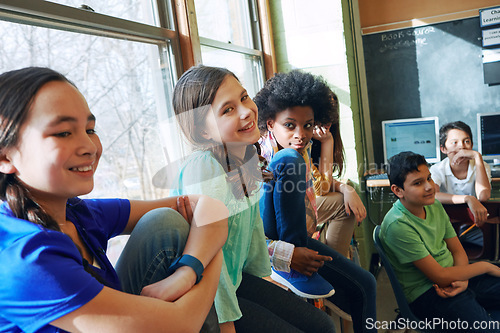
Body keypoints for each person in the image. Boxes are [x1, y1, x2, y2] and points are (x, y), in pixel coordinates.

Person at [0, 67, 229, 333]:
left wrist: (187, 270)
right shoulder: (24, 257)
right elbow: (182, 323)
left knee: (165, 222)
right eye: (63, 133)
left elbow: (208, 208)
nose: (89, 147)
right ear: (5, 157)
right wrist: (212, 254)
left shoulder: (75, 212)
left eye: (90, 129)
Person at [169, 65, 335, 333]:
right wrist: (226, 323)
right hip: (205, 297)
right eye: (228, 109)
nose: (247, 111)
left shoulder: (247, 159)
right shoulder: (204, 167)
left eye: (244, 98)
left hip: (236, 282)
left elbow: (253, 235)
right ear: (203, 132)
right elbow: (211, 256)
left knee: (322, 326)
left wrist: (266, 282)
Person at [254, 70, 376, 333]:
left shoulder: (302, 150)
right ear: (270, 124)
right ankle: (298, 269)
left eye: (307, 125)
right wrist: (286, 253)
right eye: (290, 125)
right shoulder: (260, 153)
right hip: (272, 242)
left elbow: (319, 186)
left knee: (366, 283)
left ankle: (332, 288)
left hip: (302, 232)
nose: (301, 134)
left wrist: (345, 187)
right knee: (288, 159)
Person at [380, 151, 500, 332]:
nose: (429, 187)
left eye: (428, 178)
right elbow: (440, 276)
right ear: (398, 191)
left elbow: (458, 251)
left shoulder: (434, 204)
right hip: (430, 293)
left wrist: (464, 280)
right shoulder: (397, 225)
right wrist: (487, 267)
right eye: (418, 183)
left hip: (455, 277)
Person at [430, 121, 492, 247]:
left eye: (466, 141)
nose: (461, 147)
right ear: (443, 148)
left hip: (475, 228)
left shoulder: (481, 166)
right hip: (445, 229)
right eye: (454, 142)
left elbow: (483, 196)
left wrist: (477, 156)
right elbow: (433, 195)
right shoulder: (437, 169)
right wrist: (468, 199)